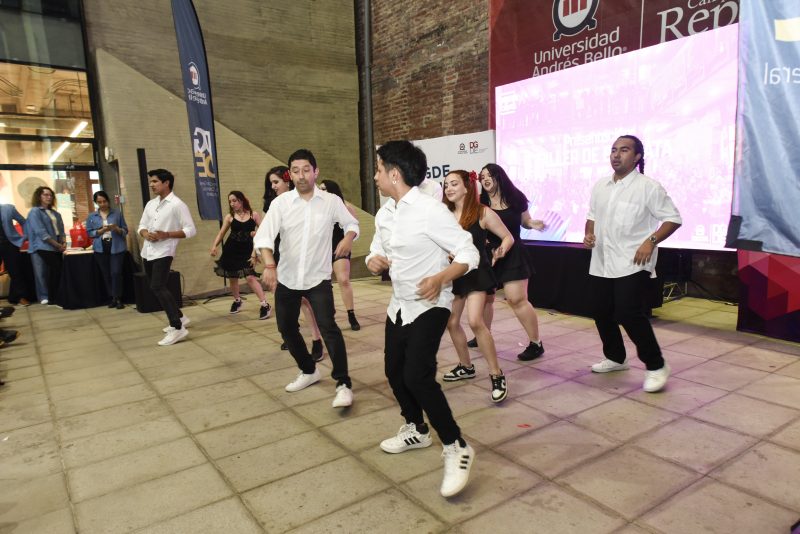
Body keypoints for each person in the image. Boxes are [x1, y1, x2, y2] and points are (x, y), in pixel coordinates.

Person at [366, 140, 479, 498]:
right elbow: (376, 249)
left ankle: (456, 446)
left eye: (379, 169)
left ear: (394, 174)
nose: (375, 176)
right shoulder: (385, 214)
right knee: (394, 372)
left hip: (432, 304)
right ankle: (416, 428)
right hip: (399, 305)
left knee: (417, 375)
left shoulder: (430, 211)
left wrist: (441, 278)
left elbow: (469, 252)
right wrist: (373, 260)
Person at [255, 149, 359, 408]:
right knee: (286, 328)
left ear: (315, 172)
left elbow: (352, 224)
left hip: (318, 278)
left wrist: (348, 238)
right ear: (290, 175)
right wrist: (269, 265)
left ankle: (343, 383)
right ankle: (308, 370)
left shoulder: (330, 201)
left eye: (306, 170)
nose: (301, 176)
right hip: (287, 278)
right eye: (295, 171)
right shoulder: (281, 204)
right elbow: (264, 236)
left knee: (328, 328)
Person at [583, 135, 682, 393]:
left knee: (628, 313)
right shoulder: (601, 186)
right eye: (613, 150)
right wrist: (589, 234)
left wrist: (651, 241)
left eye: (624, 150)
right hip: (602, 260)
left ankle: (656, 365)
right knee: (600, 310)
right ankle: (616, 358)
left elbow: (673, 219)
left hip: (633, 260)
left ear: (637, 157)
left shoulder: (649, 187)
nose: (616, 155)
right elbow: (592, 216)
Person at [442, 170, 514, 403]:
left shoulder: (482, 212)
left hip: (477, 274)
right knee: (451, 322)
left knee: (475, 321)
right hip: (455, 274)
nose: (449, 188)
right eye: (446, 185)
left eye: (454, 184)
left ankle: (496, 374)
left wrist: (500, 251)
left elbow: (508, 237)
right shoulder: (443, 214)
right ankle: (466, 366)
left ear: (467, 187)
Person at [475, 163, 545, 361]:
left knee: (516, 299)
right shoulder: (480, 201)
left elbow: (525, 221)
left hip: (513, 252)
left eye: (489, 175)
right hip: (488, 254)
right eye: (482, 177)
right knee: (485, 299)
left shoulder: (516, 197)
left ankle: (536, 343)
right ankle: (483, 335)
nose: (485, 179)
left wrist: (532, 223)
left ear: (499, 177)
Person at [266, 165, 324, 359]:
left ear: (287, 180)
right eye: (271, 183)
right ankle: (290, 333)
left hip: (300, 256)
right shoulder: (274, 204)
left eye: (276, 182)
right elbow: (265, 231)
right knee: (285, 300)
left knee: (305, 301)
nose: (273, 186)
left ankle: (316, 339)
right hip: (279, 256)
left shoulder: (305, 201)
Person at [137, 169, 196, 346]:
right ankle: (180, 317)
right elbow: (141, 225)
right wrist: (145, 233)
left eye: (155, 181)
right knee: (156, 287)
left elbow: (191, 230)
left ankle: (177, 327)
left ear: (166, 183)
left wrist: (167, 234)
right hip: (147, 251)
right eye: (151, 182)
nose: (152, 185)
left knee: (157, 286)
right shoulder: (150, 204)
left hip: (164, 251)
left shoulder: (177, 205)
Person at [210, 191, 271, 320]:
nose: (232, 204)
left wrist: (256, 239)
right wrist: (214, 246)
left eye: (234, 200)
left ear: (241, 200)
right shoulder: (230, 217)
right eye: (230, 201)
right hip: (231, 250)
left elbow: (264, 230)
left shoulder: (254, 215)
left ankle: (265, 304)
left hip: (247, 250)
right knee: (233, 277)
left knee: (250, 277)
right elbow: (221, 233)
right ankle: (237, 301)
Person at [319, 179, 360, 331]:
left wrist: (347, 242)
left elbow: (353, 228)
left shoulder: (345, 207)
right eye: (319, 189)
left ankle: (351, 314)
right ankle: (328, 315)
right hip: (321, 251)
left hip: (339, 249)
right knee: (323, 285)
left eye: (324, 188)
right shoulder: (316, 209)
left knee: (343, 280)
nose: (321, 191)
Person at [85, 191, 128, 309]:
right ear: (96, 203)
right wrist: (100, 231)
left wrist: (116, 228)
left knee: (116, 272)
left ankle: (118, 298)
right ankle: (112, 297)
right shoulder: (92, 216)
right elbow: (89, 233)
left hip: (116, 246)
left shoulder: (117, 213)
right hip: (100, 247)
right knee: (106, 273)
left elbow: (125, 230)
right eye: (99, 202)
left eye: (104, 201)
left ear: (108, 201)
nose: (102, 204)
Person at [25, 186, 66, 305]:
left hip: (56, 246)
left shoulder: (56, 213)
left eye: (50, 195)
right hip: (41, 246)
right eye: (45, 195)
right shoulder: (35, 211)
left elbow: (61, 230)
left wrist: (63, 242)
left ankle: (55, 295)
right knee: (41, 272)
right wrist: (57, 245)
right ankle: (44, 296)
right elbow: (40, 232)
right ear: (39, 196)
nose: (49, 197)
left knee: (55, 271)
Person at [0, 202, 30, 305]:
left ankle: (21, 297)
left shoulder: (8, 208)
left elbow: (23, 221)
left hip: (10, 244)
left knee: (15, 270)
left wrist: (25, 236)